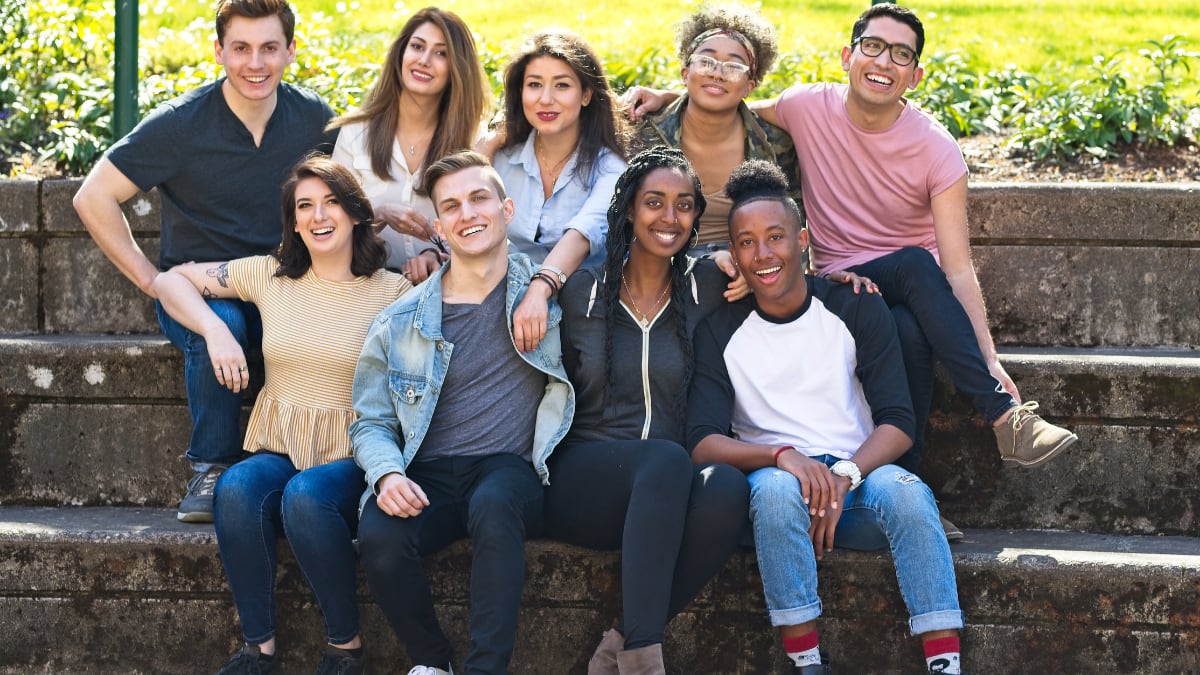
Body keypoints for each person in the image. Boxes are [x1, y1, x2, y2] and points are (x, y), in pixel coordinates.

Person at [627, 3, 1077, 539]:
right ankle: (978, 437)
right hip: (832, 280)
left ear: (916, 75)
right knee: (905, 314)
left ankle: (960, 448)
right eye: (873, 46)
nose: (883, 61)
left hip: (908, 284)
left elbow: (957, 269)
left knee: (912, 294)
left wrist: (988, 357)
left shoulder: (936, 148)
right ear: (848, 56)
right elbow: (725, 91)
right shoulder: (806, 107)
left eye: (901, 54)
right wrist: (665, 96)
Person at [687, 160, 965, 675]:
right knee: (775, 492)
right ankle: (807, 663)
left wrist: (846, 474)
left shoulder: (853, 305)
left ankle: (945, 664)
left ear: (803, 240)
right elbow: (702, 442)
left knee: (908, 492)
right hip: (775, 495)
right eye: (746, 242)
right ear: (734, 255)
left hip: (856, 486)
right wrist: (781, 455)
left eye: (776, 237)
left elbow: (898, 421)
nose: (763, 253)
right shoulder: (719, 331)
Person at [72, 0, 336, 523]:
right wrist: (151, 280)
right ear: (218, 51)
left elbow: (352, 190)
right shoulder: (179, 124)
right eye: (240, 48)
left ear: (291, 50)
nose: (255, 63)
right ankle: (211, 465)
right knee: (225, 324)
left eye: (269, 48)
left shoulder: (313, 118)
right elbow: (92, 197)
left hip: (281, 285)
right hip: (199, 292)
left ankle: (313, 461)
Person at [151, 155, 412, 675]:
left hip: (353, 452)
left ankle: (345, 648)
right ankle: (259, 652)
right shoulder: (269, 276)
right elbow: (171, 281)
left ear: (356, 213)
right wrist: (217, 330)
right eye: (305, 206)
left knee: (306, 496)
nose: (319, 216)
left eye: (331, 202)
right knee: (236, 486)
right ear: (293, 221)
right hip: (283, 444)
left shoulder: (393, 291)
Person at [350, 150, 574, 675]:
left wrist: (543, 288)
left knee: (496, 503)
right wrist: (387, 475)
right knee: (379, 535)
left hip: (506, 470)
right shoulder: (400, 319)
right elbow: (371, 421)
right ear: (439, 226)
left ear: (506, 209)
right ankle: (432, 662)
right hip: (427, 471)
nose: (467, 214)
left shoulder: (544, 296)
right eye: (451, 206)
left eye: (479, 199)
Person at [549, 147, 749, 674]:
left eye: (684, 205)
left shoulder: (709, 287)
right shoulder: (582, 292)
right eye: (654, 202)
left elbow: (786, 281)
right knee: (664, 458)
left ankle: (626, 642)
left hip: (667, 494)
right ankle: (644, 662)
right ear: (630, 210)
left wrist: (849, 283)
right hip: (585, 481)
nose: (669, 217)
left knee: (728, 487)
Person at [491, 30, 630, 354]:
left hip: (584, 310)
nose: (545, 99)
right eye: (534, 84)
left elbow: (583, 232)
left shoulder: (610, 168)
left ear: (586, 95)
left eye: (562, 85)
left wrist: (540, 288)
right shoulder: (501, 160)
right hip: (503, 303)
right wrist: (489, 142)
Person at [329, 6, 489, 281]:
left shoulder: (474, 139)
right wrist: (378, 215)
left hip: (444, 286)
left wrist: (436, 255)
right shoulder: (356, 132)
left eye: (441, 53)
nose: (424, 60)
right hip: (367, 285)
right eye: (417, 46)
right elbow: (330, 224)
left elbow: (485, 228)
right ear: (401, 53)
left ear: (457, 68)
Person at [634, 3, 802, 256]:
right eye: (705, 62)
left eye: (733, 67)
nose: (717, 74)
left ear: (749, 86)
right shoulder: (645, 132)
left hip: (747, 264)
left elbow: (792, 223)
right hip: (661, 263)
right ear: (685, 73)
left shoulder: (774, 143)